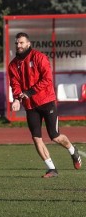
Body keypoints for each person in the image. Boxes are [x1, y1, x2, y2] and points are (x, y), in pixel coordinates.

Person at [8, 32, 81, 178]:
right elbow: (15, 84)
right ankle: (52, 169)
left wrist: (29, 92)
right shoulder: (13, 64)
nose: (18, 45)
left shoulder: (39, 57)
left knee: (54, 136)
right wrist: (16, 99)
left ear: (28, 44)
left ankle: (73, 151)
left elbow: (47, 79)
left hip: (46, 101)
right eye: (17, 43)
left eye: (21, 43)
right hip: (30, 105)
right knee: (36, 138)